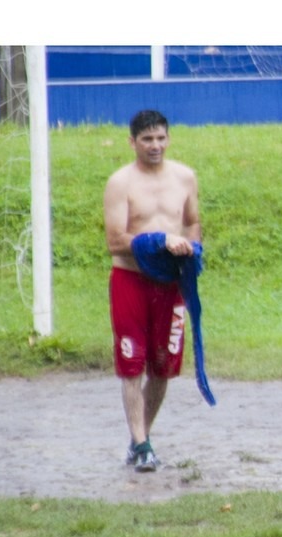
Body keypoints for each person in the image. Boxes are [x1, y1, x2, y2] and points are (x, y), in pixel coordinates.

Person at [103, 109, 202, 472]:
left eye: (160, 138)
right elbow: (115, 241)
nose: (155, 145)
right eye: (147, 139)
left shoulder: (185, 177)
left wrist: (192, 247)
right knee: (132, 365)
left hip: (170, 284)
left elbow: (192, 223)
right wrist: (161, 241)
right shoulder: (120, 183)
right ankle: (143, 442)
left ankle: (138, 440)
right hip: (130, 280)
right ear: (132, 142)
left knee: (163, 367)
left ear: (169, 138)